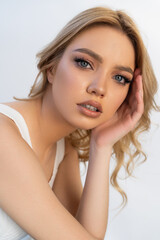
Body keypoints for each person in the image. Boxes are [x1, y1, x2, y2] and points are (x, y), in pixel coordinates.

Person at [0, 6, 159, 240]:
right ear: (51, 67)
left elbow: (88, 235)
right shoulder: (3, 136)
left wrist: (101, 146)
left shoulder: (63, 150)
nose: (99, 88)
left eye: (119, 78)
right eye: (85, 63)